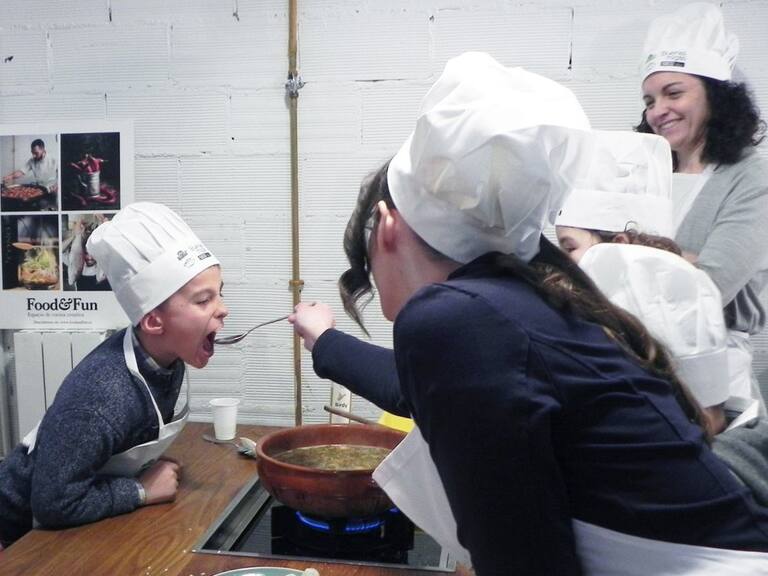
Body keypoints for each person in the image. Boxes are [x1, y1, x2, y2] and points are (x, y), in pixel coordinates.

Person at [295, 53, 768, 575]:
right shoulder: (521, 295)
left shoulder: (454, 318)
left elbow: (525, 563)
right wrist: (325, 342)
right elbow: (421, 389)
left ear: (387, 225)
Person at [0, 202, 228, 549]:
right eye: (203, 300)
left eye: (220, 293)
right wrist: (139, 490)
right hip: (16, 537)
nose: (223, 309)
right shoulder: (103, 396)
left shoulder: (166, 358)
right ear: (154, 322)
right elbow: (52, 503)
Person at [636, 2, 768, 405]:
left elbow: (710, 288)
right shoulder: (645, 172)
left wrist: (633, 258)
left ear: (715, 95)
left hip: (712, 378)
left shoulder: (750, 177)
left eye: (673, 93)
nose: (658, 111)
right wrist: (681, 260)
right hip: (637, 363)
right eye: (649, 100)